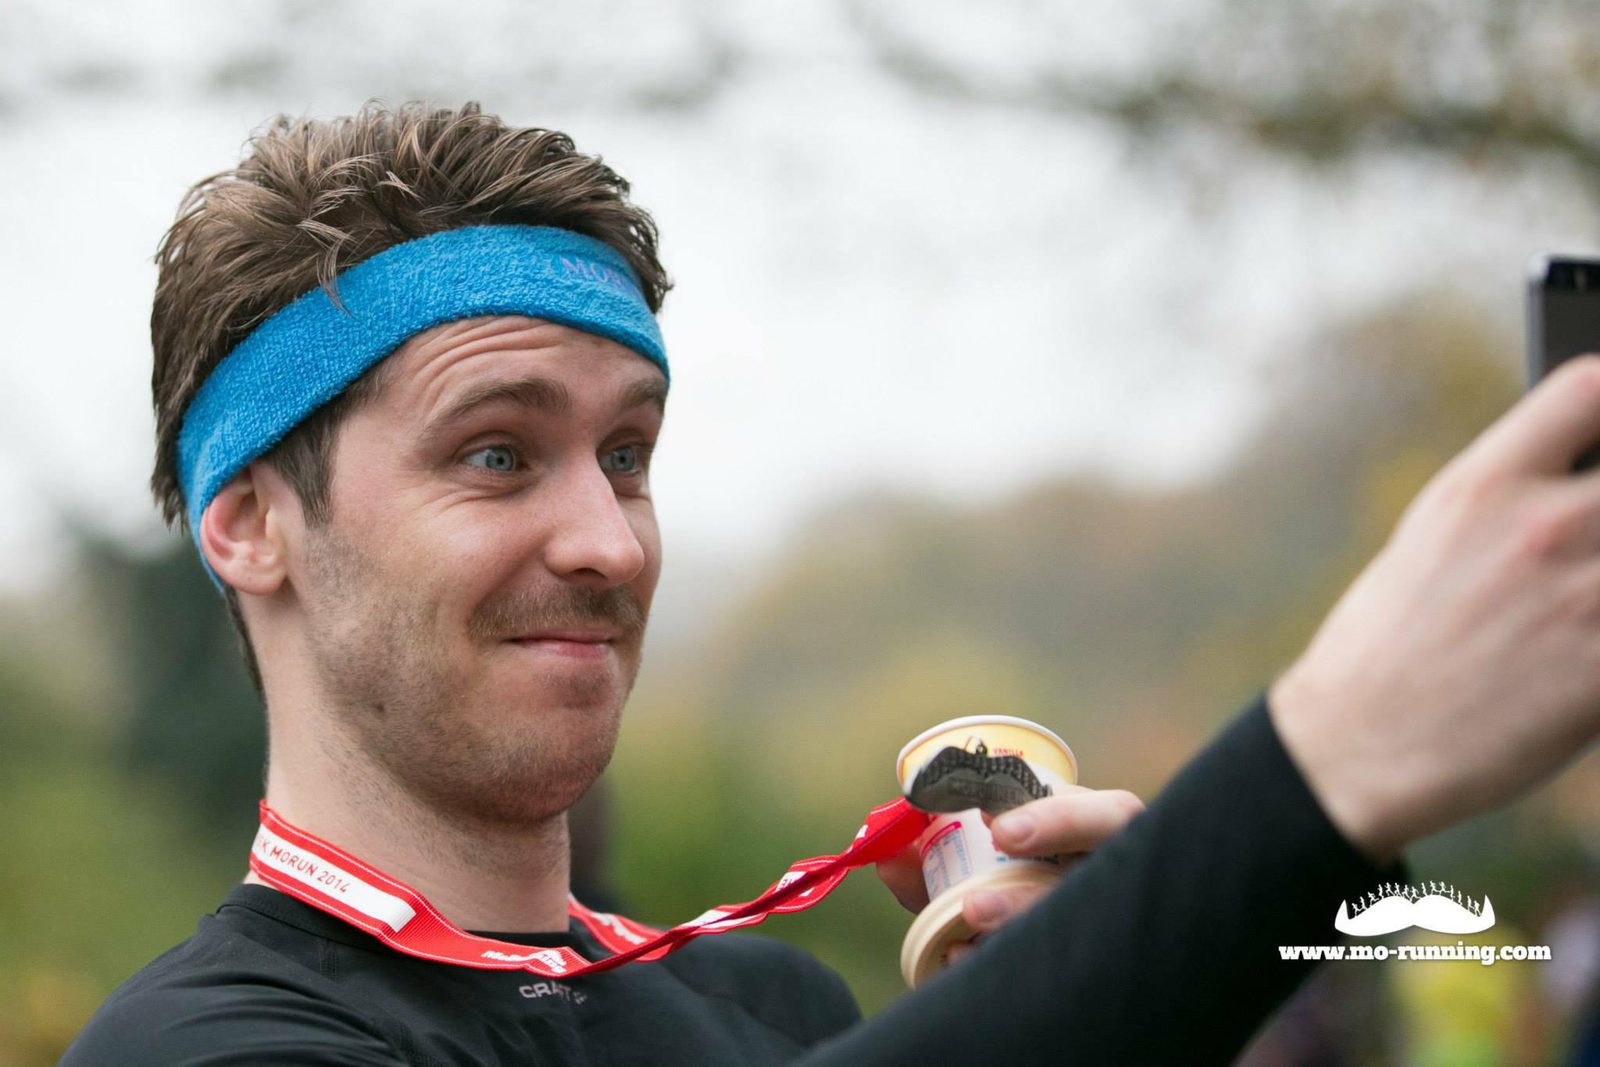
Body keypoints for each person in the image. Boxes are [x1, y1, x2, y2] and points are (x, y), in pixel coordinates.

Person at [57, 100, 1600, 1065]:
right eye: (498, 457)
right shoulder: (205, 1045)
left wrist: (1124, 980)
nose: (608, 540)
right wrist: (1303, 791)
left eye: (631, 455)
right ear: (250, 523)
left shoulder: (781, 1014)